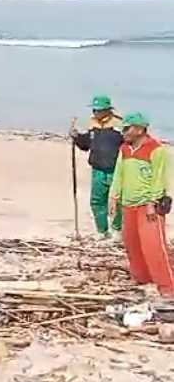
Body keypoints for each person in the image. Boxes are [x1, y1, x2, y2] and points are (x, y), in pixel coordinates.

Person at [109, 112, 173, 296]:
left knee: (154, 247)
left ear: (139, 129)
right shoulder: (125, 149)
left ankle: (167, 287)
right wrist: (114, 197)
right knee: (131, 243)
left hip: (147, 204)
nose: (124, 132)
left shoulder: (156, 149)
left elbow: (159, 178)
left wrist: (153, 201)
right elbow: (118, 173)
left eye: (127, 128)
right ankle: (143, 279)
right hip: (128, 204)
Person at [71, 94, 123, 238]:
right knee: (97, 201)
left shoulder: (119, 126)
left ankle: (117, 230)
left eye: (98, 110)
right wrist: (76, 137)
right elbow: (86, 145)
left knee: (117, 201)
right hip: (97, 169)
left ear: (108, 110)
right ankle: (102, 231)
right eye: (94, 110)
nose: (95, 113)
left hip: (116, 169)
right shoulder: (93, 125)